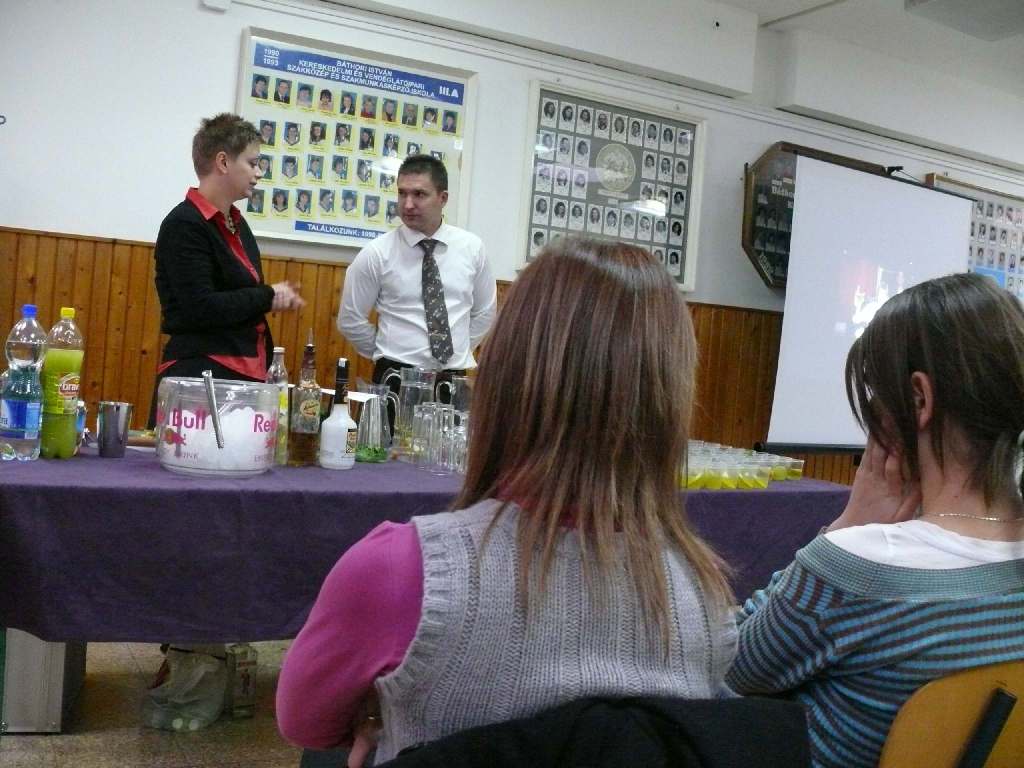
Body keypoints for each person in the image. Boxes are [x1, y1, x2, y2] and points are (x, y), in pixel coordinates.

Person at [278, 237, 736, 764]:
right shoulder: (707, 596)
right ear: (669, 398)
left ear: (504, 374)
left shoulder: (398, 571)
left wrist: (377, 711)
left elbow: (304, 720)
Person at [727, 273, 1024, 768]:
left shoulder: (860, 567)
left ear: (919, 400)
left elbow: (730, 665)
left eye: (876, 394)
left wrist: (848, 524)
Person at [150, 113, 303, 426]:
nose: (258, 173)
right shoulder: (184, 224)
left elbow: (242, 299)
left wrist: (267, 297)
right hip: (199, 377)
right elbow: (200, 307)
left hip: (243, 374)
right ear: (223, 162)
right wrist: (268, 296)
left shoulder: (237, 223)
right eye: (252, 163)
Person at [336, 154, 497, 392]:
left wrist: (454, 350)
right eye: (402, 193)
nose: (408, 204)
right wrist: (389, 352)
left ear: (443, 198)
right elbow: (350, 319)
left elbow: (485, 313)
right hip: (395, 377)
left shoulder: (472, 249)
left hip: (453, 380)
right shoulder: (377, 253)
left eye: (419, 194)